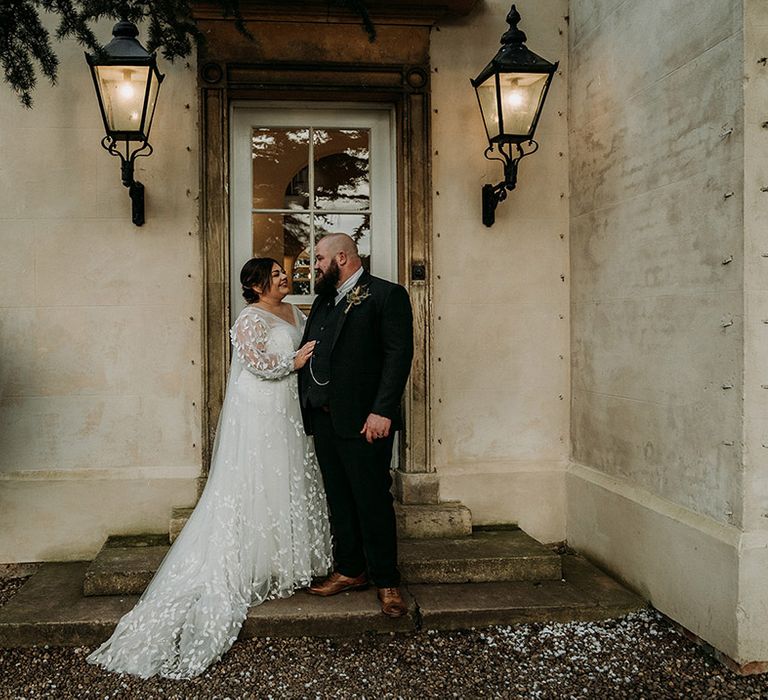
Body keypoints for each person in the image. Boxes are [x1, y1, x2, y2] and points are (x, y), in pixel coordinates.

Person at [87, 258, 331, 679]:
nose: (283, 277)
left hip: (290, 408)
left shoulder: (296, 312)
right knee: (258, 478)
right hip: (261, 408)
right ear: (255, 285)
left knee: (288, 477)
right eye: (274, 274)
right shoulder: (248, 319)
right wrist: (289, 364)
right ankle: (247, 561)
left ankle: (284, 559)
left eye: (282, 272)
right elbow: (255, 363)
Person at [299, 233, 414, 618]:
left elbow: (398, 356)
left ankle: (387, 580)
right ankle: (350, 570)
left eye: (318, 258)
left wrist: (382, 410)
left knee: (372, 500)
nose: (314, 265)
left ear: (342, 257)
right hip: (325, 418)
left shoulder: (385, 295)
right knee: (339, 498)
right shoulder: (322, 300)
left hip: (367, 421)